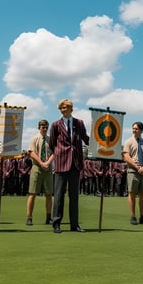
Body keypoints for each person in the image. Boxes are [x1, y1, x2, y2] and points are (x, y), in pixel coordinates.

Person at [48, 99, 89, 233]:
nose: (63, 110)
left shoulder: (79, 123)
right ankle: (56, 223)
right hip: (61, 163)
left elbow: (86, 139)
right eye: (61, 108)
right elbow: (52, 144)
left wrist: (100, 143)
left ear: (71, 108)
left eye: (65, 107)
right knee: (59, 195)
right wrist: (60, 154)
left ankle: (74, 224)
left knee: (74, 196)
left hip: (75, 163)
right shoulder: (55, 125)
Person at [122, 121, 143, 225]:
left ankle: (142, 216)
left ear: (141, 130)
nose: (134, 130)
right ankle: (133, 216)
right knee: (132, 193)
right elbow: (126, 156)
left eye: (136, 129)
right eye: (133, 128)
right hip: (133, 171)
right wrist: (137, 167)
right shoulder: (128, 142)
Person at [25, 120, 54, 226]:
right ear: (39, 127)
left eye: (46, 127)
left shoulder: (50, 140)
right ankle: (29, 217)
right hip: (36, 167)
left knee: (49, 194)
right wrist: (42, 163)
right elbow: (32, 153)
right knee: (32, 193)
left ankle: (48, 217)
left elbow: (54, 153)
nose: (45, 129)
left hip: (48, 168)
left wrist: (47, 163)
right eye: (43, 127)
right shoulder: (34, 139)